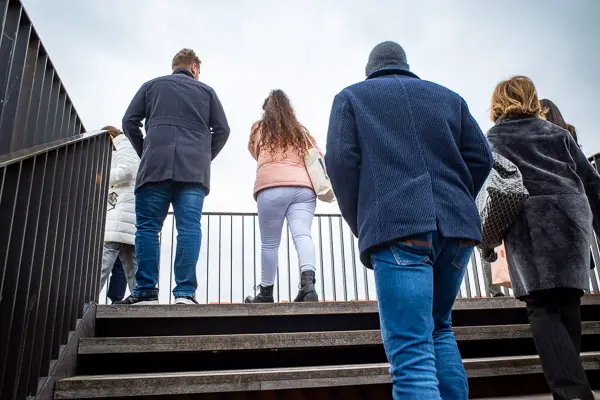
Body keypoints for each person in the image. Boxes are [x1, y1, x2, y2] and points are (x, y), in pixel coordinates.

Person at [325, 41, 493, 399]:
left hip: (398, 227)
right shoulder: (449, 98)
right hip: (457, 230)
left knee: (411, 353)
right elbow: (482, 157)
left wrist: (365, 221)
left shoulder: (352, 97)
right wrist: (456, 201)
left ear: (370, 69)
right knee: (439, 329)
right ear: (405, 65)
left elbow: (339, 163)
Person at [486, 76, 599, 400]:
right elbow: (591, 183)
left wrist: (484, 237)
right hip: (570, 220)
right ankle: (574, 384)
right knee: (568, 301)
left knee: (542, 307)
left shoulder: (493, 139)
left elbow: (487, 187)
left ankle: (573, 392)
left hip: (529, 225)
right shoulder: (558, 133)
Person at [118, 49, 230, 305]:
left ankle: (146, 291)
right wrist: (203, 156)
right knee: (189, 229)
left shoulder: (151, 86)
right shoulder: (207, 92)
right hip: (192, 172)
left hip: (154, 166)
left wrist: (145, 149)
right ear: (194, 67)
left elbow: (129, 121)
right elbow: (223, 130)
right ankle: (184, 294)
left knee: (147, 228)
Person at [245, 90, 321, 303]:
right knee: (303, 235)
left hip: (271, 186)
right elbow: (318, 156)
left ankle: (266, 294)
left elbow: (254, 151)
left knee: (269, 243)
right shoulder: (300, 131)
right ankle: (308, 287)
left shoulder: (259, 128)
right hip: (303, 187)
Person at [541, 98, 596, 271]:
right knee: (576, 239)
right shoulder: (568, 130)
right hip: (573, 193)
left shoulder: (540, 133)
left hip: (549, 194)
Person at [99, 125, 139, 295]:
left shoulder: (123, 145)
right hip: (125, 212)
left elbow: (127, 172)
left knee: (103, 260)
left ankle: (84, 301)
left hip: (121, 211)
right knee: (132, 264)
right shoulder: (125, 147)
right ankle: (142, 301)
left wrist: (100, 177)